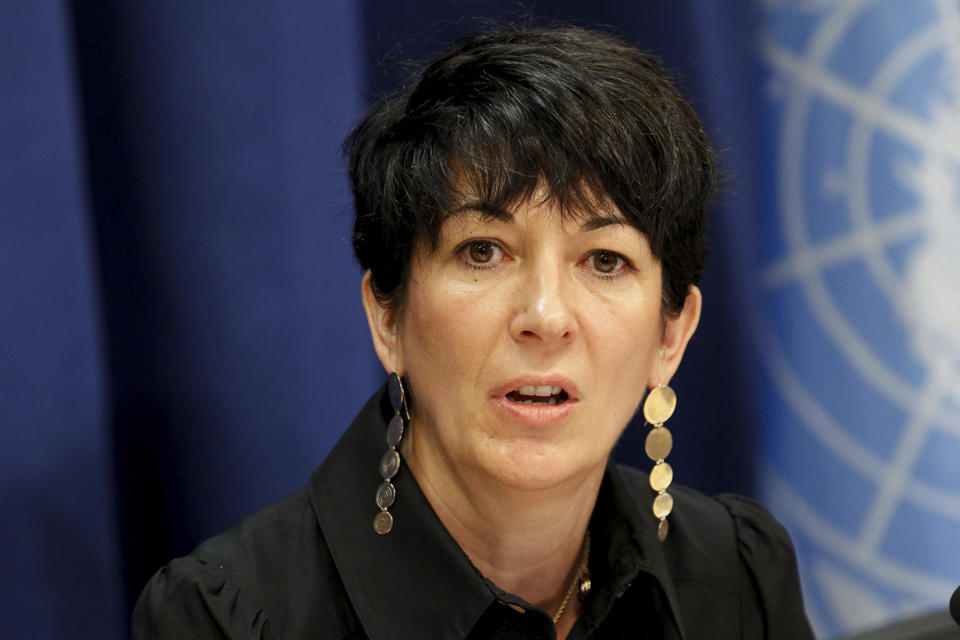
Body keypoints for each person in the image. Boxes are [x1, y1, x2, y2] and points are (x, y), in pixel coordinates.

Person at [132, 26, 814, 639]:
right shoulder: (228, 620)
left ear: (672, 335)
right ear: (388, 316)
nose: (546, 316)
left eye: (605, 260)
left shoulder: (739, 574)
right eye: (482, 251)